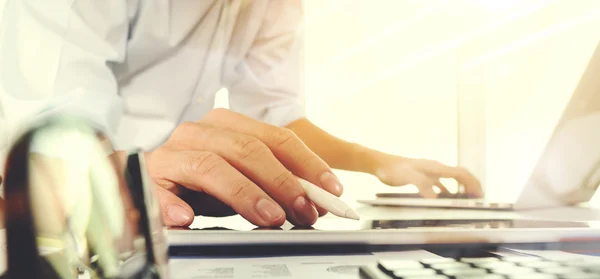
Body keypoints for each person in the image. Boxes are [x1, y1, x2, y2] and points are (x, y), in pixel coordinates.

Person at [0, 0, 483, 228]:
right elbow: (44, 135)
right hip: (61, 226)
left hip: (168, 218)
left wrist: (378, 161)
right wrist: (123, 173)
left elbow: (278, 118)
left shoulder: (274, 6)